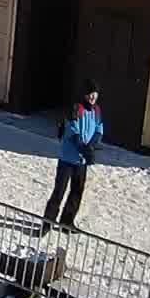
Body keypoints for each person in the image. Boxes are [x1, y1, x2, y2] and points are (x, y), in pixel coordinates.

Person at [44, 82, 105, 230]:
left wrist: (91, 145)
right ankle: (47, 223)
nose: (92, 97)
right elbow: (73, 132)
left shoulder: (96, 110)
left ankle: (67, 222)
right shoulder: (76, 108)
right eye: (90, 93)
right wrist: (84, 148)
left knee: (77, 192)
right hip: (68, 158)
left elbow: (99, 129)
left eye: (95, 94)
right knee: (59, 191)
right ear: (84, 94)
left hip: (81, 161)